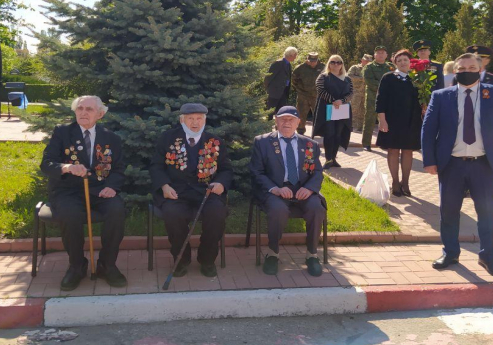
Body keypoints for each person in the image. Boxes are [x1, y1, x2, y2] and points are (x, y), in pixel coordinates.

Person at [421, 53, 493, 278]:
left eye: (472, 67)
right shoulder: (441, 96)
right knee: (448, 212)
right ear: (455, 71)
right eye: (462, 68)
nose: (467, 71)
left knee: (487, 213)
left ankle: (488, 257)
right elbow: (428, 130)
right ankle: (450, 253)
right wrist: (429, 160)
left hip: (484, 164)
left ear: (480, 69)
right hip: (451, 164)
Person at [40, 95, 127, 291]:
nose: (83, 113)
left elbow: (119, 168)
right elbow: (46, 164)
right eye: (80, 109)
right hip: (67, 190)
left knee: (117, 210)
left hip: (99, 189)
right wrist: (66, 167)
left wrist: (112, 187)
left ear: (100, 114)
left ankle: (107, 265)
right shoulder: (62, 133)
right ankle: (77, 266)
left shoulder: (111, 138)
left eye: (89, 109)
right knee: (70, 214)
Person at [148, 103, 233, 278]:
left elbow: (226, 169)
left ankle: (207, 259)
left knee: (217, 213)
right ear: (182, 120)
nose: (195, 123)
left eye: (199, 118)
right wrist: (164, 186)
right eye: (190, 118)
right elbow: (156, 166)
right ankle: (181, 259)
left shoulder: (215, 141)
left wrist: (220, 183)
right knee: (173, 214)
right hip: (176, 191)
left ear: (204, 120)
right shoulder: (167, 139)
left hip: (206, 191)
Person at [249, 106, 326, 277]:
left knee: (316, 208)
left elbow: (317, 172)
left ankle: (312, 254)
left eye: (291, 119)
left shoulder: (310, 145)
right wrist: (275, 189)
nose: (286, 122)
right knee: (278, 210)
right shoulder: (262, 142)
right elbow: (256, 172)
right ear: (276, 121)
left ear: (298, 123)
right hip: (275, 189)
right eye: (283, 119)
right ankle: (272, 253)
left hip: (302, 190)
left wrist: (309, 188)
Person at [376, 49, 422, 197]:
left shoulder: (417, 78)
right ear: (395, 63)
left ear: (410, 62)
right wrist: (382, 120)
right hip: (392, 121)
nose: (403, 62)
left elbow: (423, 99)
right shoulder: (388, 78)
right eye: (399, 60)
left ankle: (405, 182)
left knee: (408, 151)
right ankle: (395, 182)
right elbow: (380, 100)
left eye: (405, 60)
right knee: (393, 150)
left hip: (412, 120)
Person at [312, 55, 354, 169]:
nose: (336, 64)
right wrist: (333, 101)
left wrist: (342, 101)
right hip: (327, 109)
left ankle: (334, 158)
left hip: (342, 110)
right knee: (329, 133)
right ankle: (328, 159)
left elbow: (351, 93)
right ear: (329, 64)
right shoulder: (323, 77)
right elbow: (320, 90)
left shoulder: (347, 78)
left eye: (339, 62)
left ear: (342, 64)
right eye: (333, 62)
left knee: (338, 134)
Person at [361, 46, 394, 151]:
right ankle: (366, 143)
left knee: (386, 120)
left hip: (387, 99)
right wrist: (386, 87)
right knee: (369, 120)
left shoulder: (391, 67)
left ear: (386, 55)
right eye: (378, 53)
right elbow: (370, 82)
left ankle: (384, 143)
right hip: (372, 99)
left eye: (383, 53)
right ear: (374, 55)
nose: (380, 54)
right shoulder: (369, 67)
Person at [291, 52, 323, 134]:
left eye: (314, 61)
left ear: (317, 60)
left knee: (319, 114)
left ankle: (318, 131)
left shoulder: (323, 67)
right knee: (301, 114)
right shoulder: (300, 68)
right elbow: (293, 79)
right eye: (311, 61)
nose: (312, 63)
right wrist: (299, 89)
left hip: (317, 95)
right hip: (303, 95)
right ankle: (300, 130)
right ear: (307, 60)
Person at [265, 46, 298, 118]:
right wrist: (268, 90)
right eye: (295, 55)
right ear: (291, 55)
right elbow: (268, 77)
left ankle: (279, 125)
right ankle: (267, 124)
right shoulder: (278, 63)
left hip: (283, 92)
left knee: (281, 112)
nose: (296, 57)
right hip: (274, 92)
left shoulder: (288, 64)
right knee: (270, 112)